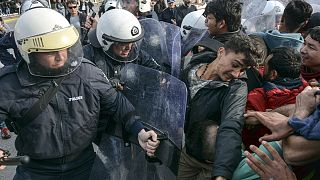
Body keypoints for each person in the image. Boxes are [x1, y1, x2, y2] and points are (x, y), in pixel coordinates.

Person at [0, 8, 159, 179]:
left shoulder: (86, 72)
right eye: (51, 51)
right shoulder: (9, 84)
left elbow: (116, 102)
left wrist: (139, 131)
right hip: (35, 170)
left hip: (84, 164)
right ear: (28, 51)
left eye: (64, 47)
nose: (61, 56)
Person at [178, 34, 260, 180]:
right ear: (221, 52)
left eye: (243, 70)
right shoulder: (188, 65)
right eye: (235, 65)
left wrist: (222, 173)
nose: (236, 74)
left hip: (214, 162)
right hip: (188, 153)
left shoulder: (237, 88)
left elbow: (232, 125)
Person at [242, 47, 307, 150]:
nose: (262, 68)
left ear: (273, 74)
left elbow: (246, 119)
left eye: (265, 66)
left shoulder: (257, 97)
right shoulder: (309, 93)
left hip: (257, 153)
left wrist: (265, 115)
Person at [83, 9, 161, 90]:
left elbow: (154, 68)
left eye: (132, 42)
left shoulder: (135, 53)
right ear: (107, 42)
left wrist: (161, 77)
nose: (129, 48)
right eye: (123, 43)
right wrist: (107, 88)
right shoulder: (89, 56)